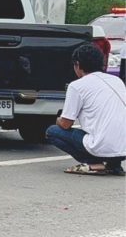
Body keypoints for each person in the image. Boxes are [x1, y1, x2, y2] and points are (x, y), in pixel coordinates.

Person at [45, 45, 126, 175]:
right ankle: (114, 165)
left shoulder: (77, 86)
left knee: (53, 131)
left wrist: (58, 119)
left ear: (77, 64)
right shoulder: (117, 81)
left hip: (101, 146)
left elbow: (66, 124)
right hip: (123, 148)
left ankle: (94, 163)